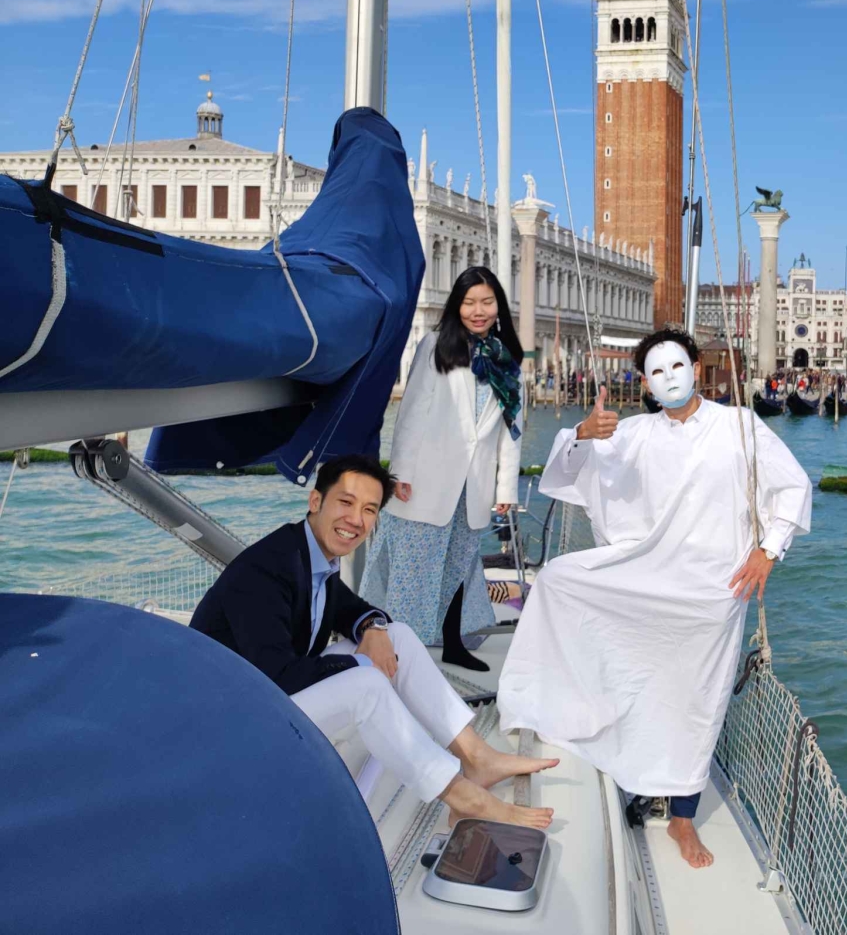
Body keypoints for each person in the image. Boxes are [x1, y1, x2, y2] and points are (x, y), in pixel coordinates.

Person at [498, 329, 812, 869]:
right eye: (657, 373)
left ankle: (683, 816)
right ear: (644, 383)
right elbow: (566, 474)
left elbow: (793, 487)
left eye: (677, 366)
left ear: (695, 365)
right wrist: (579, 431)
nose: (669, 379)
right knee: (557, 583)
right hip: (646, 574)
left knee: (697, 698)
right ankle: (581, 727)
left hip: (712, 588)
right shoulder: (634, 432)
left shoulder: (739, 425)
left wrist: (768, 550)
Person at [190, 454, 555, 828]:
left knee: (396, 636)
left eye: (369, 509)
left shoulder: (313, 556)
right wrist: (363, 665)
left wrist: (374, 630)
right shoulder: (267, 568)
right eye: (345, 503)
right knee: (366, 684)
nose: (356, 520)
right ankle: (462, 797)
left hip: (264, 697)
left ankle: (477, 757)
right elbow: (277, 675)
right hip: (230, 727)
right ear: (316, 501)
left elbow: (355, 609)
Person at [362, 266, 523, 673]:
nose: (478, 310)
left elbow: (511, 432)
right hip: (427, 481)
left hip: (475, 487)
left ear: (498, 306)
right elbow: (411, 413)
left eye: (487, 302)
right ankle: (394, 650)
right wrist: (399, 473)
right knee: (410, 571)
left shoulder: (508, 360)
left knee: (458, 570)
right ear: (457, 306)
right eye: (469, 302)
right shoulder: (435, 345)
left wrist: (506, 490)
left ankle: (453, 644)